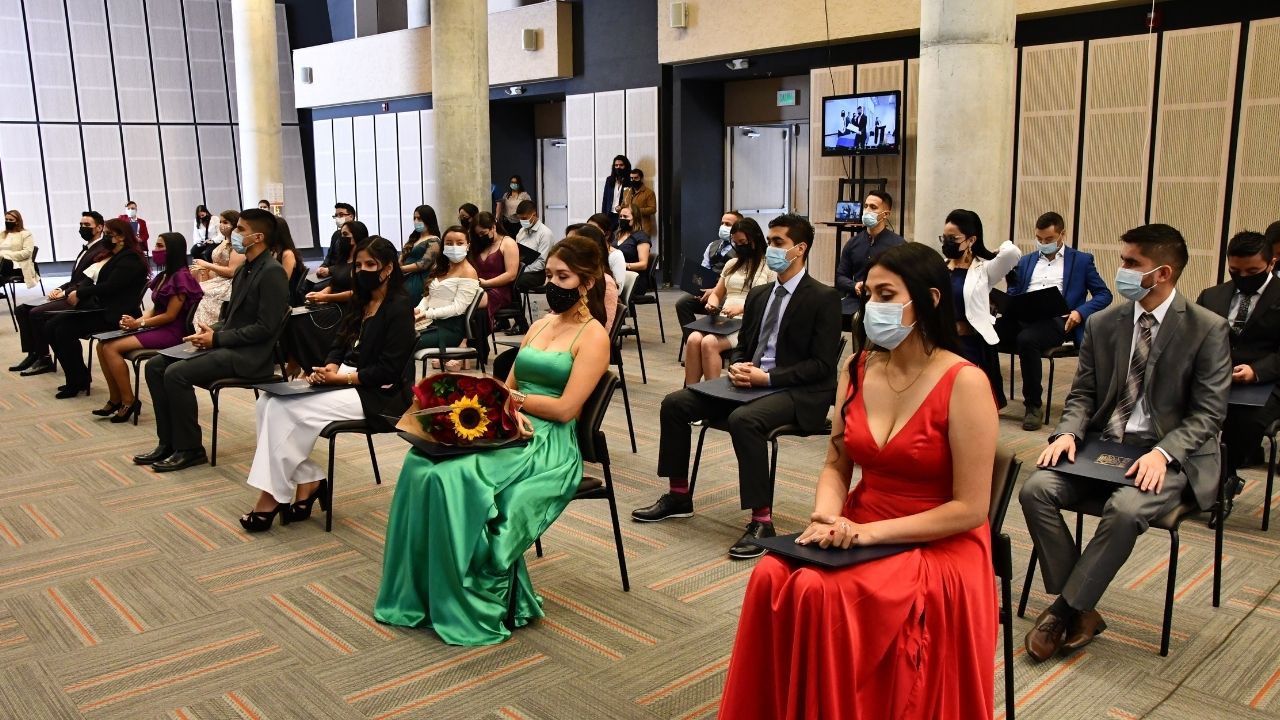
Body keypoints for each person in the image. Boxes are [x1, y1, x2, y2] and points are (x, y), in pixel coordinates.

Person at [718, 242, 998, 718]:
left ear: (929, 299)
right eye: (868, 295)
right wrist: (827, 515)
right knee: (769, 575)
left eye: (886, 295)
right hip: (860, 520)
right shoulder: (858, 367)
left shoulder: (965, 382)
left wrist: (863, 532)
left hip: (938, 541)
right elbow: (836, 463)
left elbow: (969, 509)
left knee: (815, 591)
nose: (871, 308)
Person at [375, 234, 611, 645]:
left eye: (564, 277)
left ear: (587, 282)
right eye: (550, 274)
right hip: (511, 425)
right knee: (420, 464)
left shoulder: (594, 337)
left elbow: (565, 410)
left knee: (458, 477)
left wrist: (515, 402)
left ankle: (472, 597)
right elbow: (506, 386)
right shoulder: (539, 325)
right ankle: (425, 592)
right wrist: (503, 408)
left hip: (550, 442)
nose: (552, 284)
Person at [1020, 223, 1230, 663]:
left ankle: (1064, 609)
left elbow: (1209, 414)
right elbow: (1082, 394)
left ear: (1164, 273)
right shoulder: (1104, 323)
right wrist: (1068, 433)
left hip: (1166, 456)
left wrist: (1164, 452)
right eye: (1123, 261)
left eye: (1132, 263)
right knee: (1036, 488)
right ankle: (1082, 608)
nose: (1122, 271)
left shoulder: (1206, 329)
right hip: (1103, 447)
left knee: (1126, 508)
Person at [632, 214, 842, 557]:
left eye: (778, 243)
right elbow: (744, 344)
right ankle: (679, 495)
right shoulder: (760, 295)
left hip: (798, 392)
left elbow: (821, 366)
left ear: (800, 249)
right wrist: (742, 363)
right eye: (770, 241)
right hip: (753, 383)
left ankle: (762, 520)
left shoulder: (823, 298)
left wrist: (768, 378)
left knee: (744, 420)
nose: (770, 248)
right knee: (675, 403)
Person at [239, 237, 415, 531]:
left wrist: (342, 377)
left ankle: (270, 498)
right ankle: (308, 479)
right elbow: (340, 341)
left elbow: (388, 371)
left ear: (387, 268)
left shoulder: (398, 308)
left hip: (376, 395)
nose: (362, 271)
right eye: (358, 265)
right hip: (345, 378)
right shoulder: (363, 299)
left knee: (287, 411)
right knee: (267, 402)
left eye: (370, 265)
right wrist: (331, 365)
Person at [135, 208, 291, 473]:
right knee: (155, 366)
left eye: (241, 229)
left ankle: (190, 448)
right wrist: (209, 332)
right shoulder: (246, 269)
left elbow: (265, 329)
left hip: (250, 356)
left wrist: (217, 338)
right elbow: (230, 316)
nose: (233, 232)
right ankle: (168, 442)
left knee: (175, 374)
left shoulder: (271, 272)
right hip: (229, 343)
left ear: (258, 237)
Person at [999, 211, 1112, 430]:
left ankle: (1033, 405)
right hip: (1024, 316)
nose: (1043, 244)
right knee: (986, 332)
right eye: (1039, 239)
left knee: (1027, 340)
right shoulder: (1026, 260)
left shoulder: (1081, 261)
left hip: (1058, 320)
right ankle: (991, 393)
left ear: (1062, 235)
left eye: (1049, 240)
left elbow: (1104, 294)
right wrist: (1006, 302)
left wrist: (1079, 312)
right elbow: (1014, 290)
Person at [1196, 230, 1280, 520]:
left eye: (1253, 271)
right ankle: (1191, 475)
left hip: (1265, 380)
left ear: (1271, 264)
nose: (1243, 276)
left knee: (1243, 419)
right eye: (1235, 270)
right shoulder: (1212, 295)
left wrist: (1257, 371)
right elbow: (1194, 339)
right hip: (1214, 376)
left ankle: (1225, 480)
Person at [94, 233, 202, 423]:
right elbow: (154, 310)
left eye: (160, 246)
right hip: (158, 326)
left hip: (173, 332)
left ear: (173, 250)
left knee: (111, 348)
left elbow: (170, 315)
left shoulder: (181, 277)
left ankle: (129, 401)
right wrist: (134, 322)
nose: (155, 250)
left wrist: (140, 324)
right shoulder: (164, 275)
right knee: (101, 346)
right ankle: (115, 398)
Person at [47, 218, 149, 398]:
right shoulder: (115, 256)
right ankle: (77, 376)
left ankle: (77, 380)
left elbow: (111, 286)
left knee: (63, 329)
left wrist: (81, 293)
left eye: (109, 234)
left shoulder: (130, 259)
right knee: (51, 325)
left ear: (121, 237)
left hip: (118, 315)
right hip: (104, 308)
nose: (105, 238)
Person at [11, 212, 111, 375]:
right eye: (81, 225)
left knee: (36, 313)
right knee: (21, 309)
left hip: (82, 297)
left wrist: (65, 292)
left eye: (87, 225)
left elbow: (89, 280)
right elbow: (75, 278)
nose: (82, 228)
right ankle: (34, 353)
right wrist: (60, 288)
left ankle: (44, 358)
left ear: (99, 228)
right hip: (70, 290)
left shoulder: (101, 250)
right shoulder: (88, 247)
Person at [941, 208, 1020, 407]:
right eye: (944, 238)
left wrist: (993, 252)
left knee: (969, 398)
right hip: (942, 341)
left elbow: (1012, 252)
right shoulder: (939, 267)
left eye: (954, 238)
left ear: (971, 240)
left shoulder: (984, 270)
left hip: (970, 343)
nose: (948, 243)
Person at [683, 217, 775, 386]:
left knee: (709, 343)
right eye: (736, 243)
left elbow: (769, 303)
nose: (739, 246)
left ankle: (713, 395)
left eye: (743, 242)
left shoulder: (768, 266)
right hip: (724, 321)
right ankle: (691, 392)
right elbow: (717, 293)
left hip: (747, 323)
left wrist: (742, 308)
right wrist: (712, 302)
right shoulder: (732, 264)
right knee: (693, 338)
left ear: (754, 240)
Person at [285, 221, 366, 372]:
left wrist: (326, 298)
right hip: (332, 302)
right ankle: (299, 362)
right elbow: (334, 284)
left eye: (345, 235)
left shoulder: (360, 262)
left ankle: (312, 364)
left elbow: (355, 292)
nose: (341, 238)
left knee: (301, 322)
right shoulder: (343, 258)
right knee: (291, 317)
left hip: (347, 307)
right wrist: (322, 293)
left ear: (357, 237)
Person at [675, 211, 744, 344]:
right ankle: (691, 343)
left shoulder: (741, 248)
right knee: (682, 303)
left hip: (727, 292)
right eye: (722, 223)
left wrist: (714, 292)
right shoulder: (712, 245)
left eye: (728, 224)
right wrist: (697, 290)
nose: (723, 226)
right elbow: (703, 270)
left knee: (722, 305)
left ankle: (718, 344)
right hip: (707, 288)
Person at [414, 226, 480, 353]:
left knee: (403, 343)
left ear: (468, 245)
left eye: (460, 243)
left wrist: (427, 314)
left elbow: (458, 308)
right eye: (449, 243)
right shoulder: (440, 266)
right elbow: (429, 296)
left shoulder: (469, 272)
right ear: (443, 246)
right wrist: (418, 310)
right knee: (392, 337)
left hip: (450, 329)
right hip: (429, 323)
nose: (454, 247)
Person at [834, 190, 904, 306]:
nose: (867, 211)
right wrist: (854, 285)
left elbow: (904, 281)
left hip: (884, 303)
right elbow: (840, 277)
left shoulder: (898, 245)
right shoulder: (853, 243)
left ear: (886, 214)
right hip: (855, 301)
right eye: (866, 206)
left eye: (873, 207)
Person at [191, 210, 244, 329]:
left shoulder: (237, 246)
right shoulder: (225, 241)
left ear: (235, 224)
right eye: (220, 222)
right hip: (218, 279)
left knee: (203, 294)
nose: (221, 225)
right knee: (192, 289)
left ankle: (206, 329)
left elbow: (231, 272)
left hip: (228, 283)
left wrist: (207, 265)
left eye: (225, 222)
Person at [510, 202, 555, 332]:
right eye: (520, 218)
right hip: (521, 269)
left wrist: (520, 271)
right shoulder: (521, 232)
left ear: (534, 215)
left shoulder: (545, 233)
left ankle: (521, 323)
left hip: (537, 273)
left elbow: (542, 262)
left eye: (524, 218)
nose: (522, 221)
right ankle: (504, 319)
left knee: (514, 282)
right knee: (505, 279)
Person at [568, 222, 619, 330]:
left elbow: (604, 330)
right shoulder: (570, 276)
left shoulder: (607, 283)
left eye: (572, 244)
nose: (565, 249)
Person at [470, 212, 519, 326]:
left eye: (483, 233)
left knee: (470, 302)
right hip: (479, 287)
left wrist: (486, 283)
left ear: (493, 227)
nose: (481, 237)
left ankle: (465, 339)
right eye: (478, 235)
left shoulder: (508, 243)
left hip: (499, 290)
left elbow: (511, 274)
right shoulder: (481, 244)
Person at [399, 204, 441, 304]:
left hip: (419, 280)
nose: (416, 221)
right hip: (404, 278)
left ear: (428, 220)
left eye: (420, 218)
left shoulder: (434, 240)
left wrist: (402, 269)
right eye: (415, 218)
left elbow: (424, 263)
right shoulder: (414, 239)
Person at [613, 207, 653, 294]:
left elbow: (643, 264)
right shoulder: (617, 234)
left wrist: (623, 265)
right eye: (620, 216)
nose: (622, 219)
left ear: (635, 219)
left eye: (625, 217)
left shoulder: (641, 237)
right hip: (617, 276)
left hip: (633, 280)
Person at [0, 209, 39, 290]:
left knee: (5, 262)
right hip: (2, 263)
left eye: (11, 220)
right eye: (6, 219)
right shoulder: (2, 234)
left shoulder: (26, 234)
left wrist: (5, 255)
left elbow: (27, 253)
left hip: (18, 265)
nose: (8, 221)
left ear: (17, 221)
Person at [317, 203, 356, 281]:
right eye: (336, 215)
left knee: (314, 288)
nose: (338, 218)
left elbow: (350, 261)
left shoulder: (356, 234)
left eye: (341, 215)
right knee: (307, 283)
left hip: (344, 273)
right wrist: (323, 266)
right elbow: (329, 255)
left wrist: (330, 270)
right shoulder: (336, 234)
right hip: (329, 271)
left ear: (351, 216)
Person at [622, 167, 657, 238]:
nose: (633, 180)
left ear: (641, 178)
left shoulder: (649, 192)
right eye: (631, 178)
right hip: (628, 227)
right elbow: (623, 205)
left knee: (643, 248)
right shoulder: (626, 192)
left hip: (642, 227)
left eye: (636, 178)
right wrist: (619, 208)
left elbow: (652, 209)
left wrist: (636, 210)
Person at [601, 154, 631, 228]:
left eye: (621, 165)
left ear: (626, 166)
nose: (618, 167)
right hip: (610, 214)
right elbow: (605, 199)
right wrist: (603, 216)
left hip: (623, 215)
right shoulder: (609, 180)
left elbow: (629, 199)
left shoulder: (630, 181)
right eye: (616, 165)